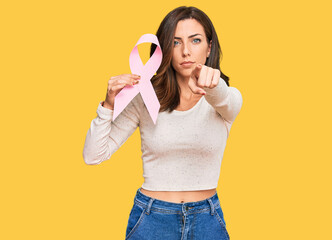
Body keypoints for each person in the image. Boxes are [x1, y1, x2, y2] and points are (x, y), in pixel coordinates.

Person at [82, 6, 243, 240]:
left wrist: (213, 84)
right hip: (151, 219)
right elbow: (93, 155)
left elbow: (224, 98)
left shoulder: (226, 99)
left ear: (209, 47)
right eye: (176, 42)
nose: (186, 51)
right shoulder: (145, 99)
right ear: (164, 49)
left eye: (195, 40)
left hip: (206, 221)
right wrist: (108, 106)